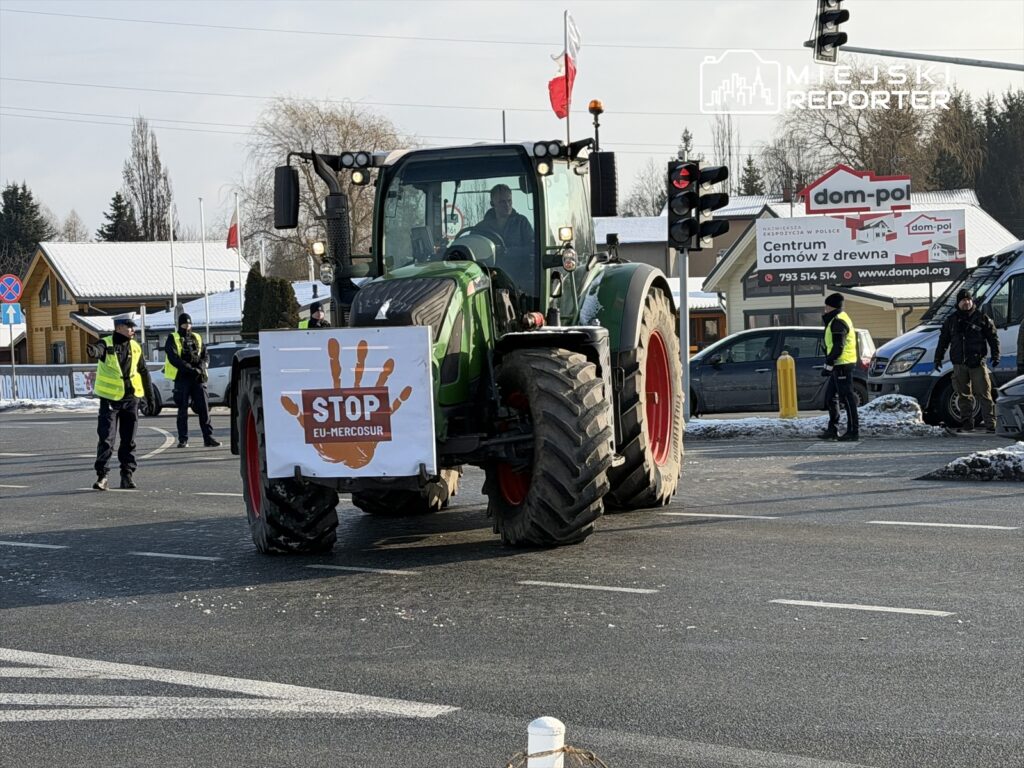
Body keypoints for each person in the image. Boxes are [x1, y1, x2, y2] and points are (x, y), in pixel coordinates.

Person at [88, 315, 156, 490]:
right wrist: (93, 351)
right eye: (129, 326)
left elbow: (143, 371)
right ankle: (102, 476)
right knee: (106, 439)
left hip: (131, 399)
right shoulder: (106, 343)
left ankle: (127, 475)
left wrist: (150, 397)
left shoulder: (135, 347)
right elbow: (98, 350)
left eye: (133, 326)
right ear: (118, 328)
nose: (133, 329)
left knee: (129, 440)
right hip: (110, 400)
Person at [934, 289, 1000, 432]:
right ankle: (967, 424)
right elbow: (943, 341)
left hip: (977, 363)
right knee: (963, 395)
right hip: (959, 364)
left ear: (972, 301)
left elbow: (993, 338)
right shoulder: (951, 321)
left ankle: (990, 424)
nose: (966, 302)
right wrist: (938, 358)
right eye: (963, 300)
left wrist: (996, 355)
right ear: (958, 303)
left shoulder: (982, 318)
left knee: (984, 394)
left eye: (968, 300)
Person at [163, 313, 220, 448]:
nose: (187, 326)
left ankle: (208, 437)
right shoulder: (173, 338)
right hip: (182, 377)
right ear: (179, 324)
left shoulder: (197, 337)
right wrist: (190, 369)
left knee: (204, 409)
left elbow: (205, 355)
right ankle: (183, 439)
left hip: (198, 378)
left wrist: (200, 368)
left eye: (189, 324)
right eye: (184, 324)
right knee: (182, 410)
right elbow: (174, 358)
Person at [820, 293, 860, 442]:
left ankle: (853, 431)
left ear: (831, 306)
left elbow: (839, 346)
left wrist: (829, 364)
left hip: (842, 364)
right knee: (830, 397)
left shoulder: (838, 321)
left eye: (826, 306)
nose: (824, 309)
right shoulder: (837, 319)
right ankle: (833, 429)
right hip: (838, 364)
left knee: (847, 398)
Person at [477, 184, 534, 251]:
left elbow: (532, 248)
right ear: (492, 203)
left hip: (518, 261)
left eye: (509, 201)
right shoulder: (481, 228)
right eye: (502, 202)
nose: (507, 205)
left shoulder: (522, 223)